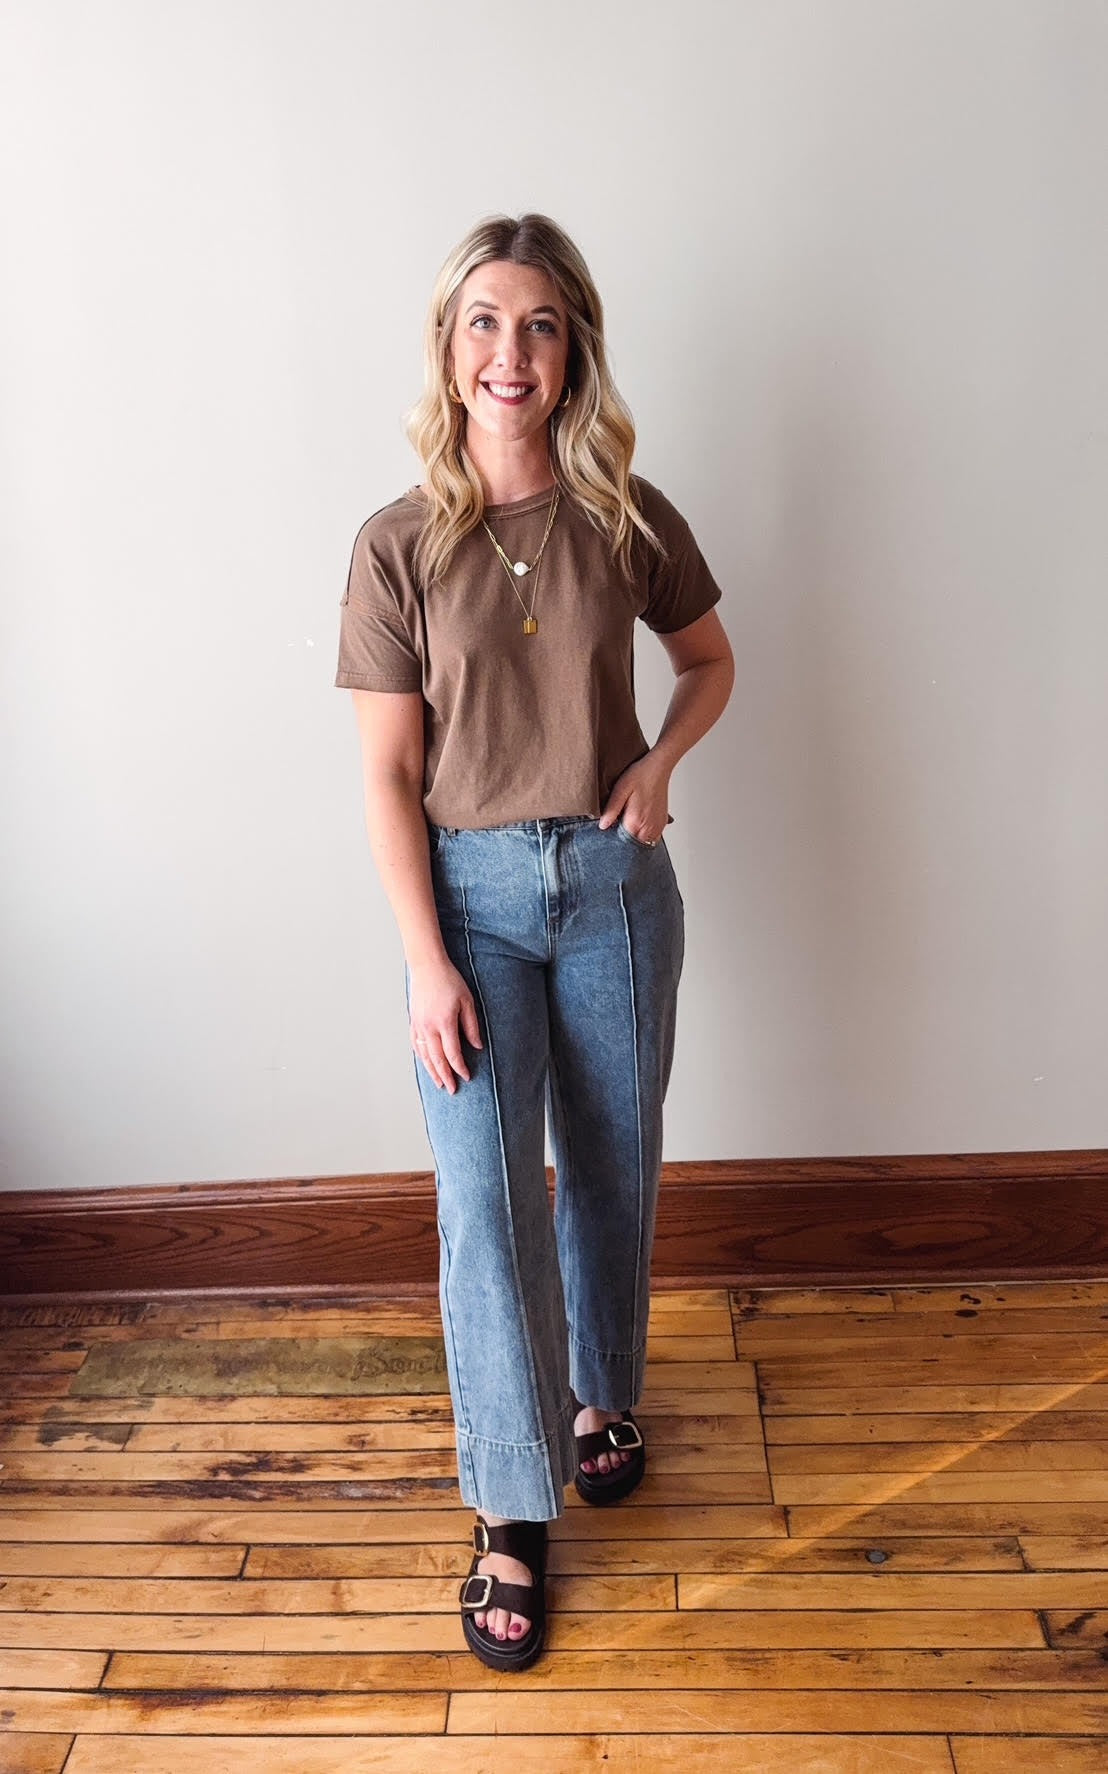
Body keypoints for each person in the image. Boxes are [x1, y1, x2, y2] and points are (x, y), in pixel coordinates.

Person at [335, 213, 734, 1671]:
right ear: (450, 350)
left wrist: (659, 765)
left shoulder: (624, 513)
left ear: (575, 356)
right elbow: (386, 774)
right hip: (471, 906)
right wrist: (427, 955)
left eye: (544, 325)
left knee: (614, 1162)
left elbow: (709, 658)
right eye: (486, 322)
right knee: (483, 1200)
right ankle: (512, 1508)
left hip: (617, 886)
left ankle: (600, 1395)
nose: (513, 352)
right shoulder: (395, 546)